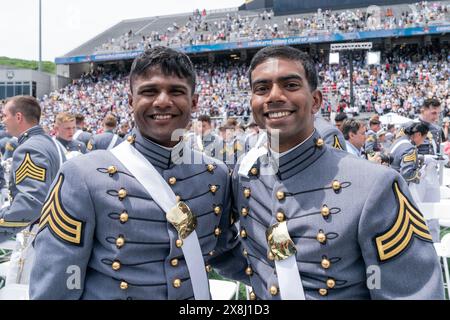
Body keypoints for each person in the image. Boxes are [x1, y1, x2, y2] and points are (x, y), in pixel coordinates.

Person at [30, 46, 245, 300]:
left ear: (195, 102)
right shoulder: (81, 176)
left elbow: (224, 252)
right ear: (131, 102)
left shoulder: (216, 175)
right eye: (149, 91)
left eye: (176, 91)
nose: (163, 101)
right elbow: (58, 282)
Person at [232, 46, 443, 300]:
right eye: (262, 88)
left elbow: (412, 292)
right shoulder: (244, 177)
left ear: (316, 101)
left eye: (290, 85)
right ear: (252, 103)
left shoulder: (376, 185)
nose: (274, 96)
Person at [0, 95, 62, 251]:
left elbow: (31, 202)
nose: (3, 121)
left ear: (18, 117)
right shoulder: (47, 141)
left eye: (5, 116)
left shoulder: (30, 148)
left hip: (35, 236)